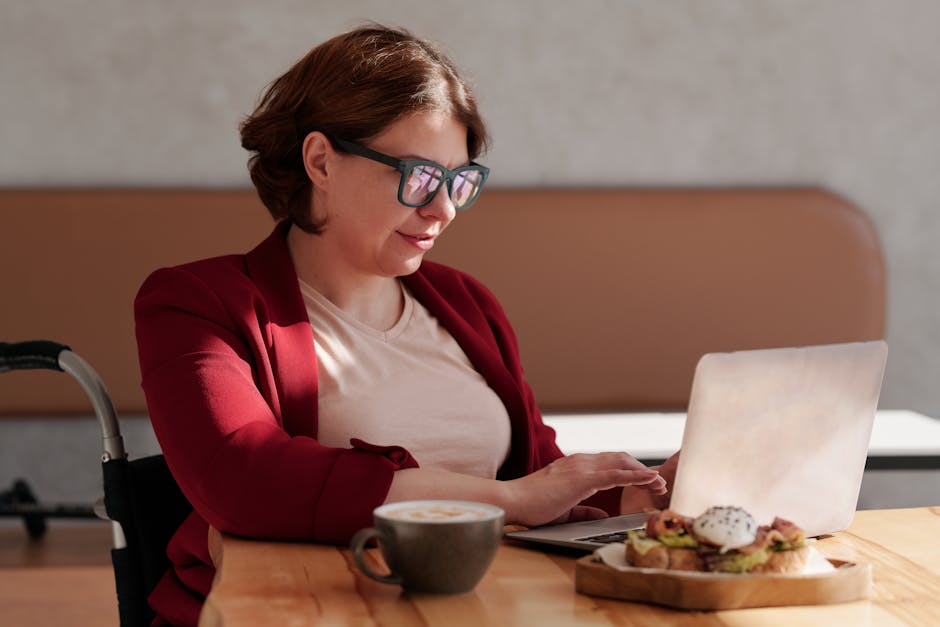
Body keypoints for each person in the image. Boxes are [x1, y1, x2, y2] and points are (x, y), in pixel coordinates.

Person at [134, 25, 677, 626]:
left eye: (460, 181)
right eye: (419, 176)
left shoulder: (466, 301)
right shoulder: (197, 303)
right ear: (320, 161)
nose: (442, 209)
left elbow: (537, 476)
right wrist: (506, 500)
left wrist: (631, 495)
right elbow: (242, 481)